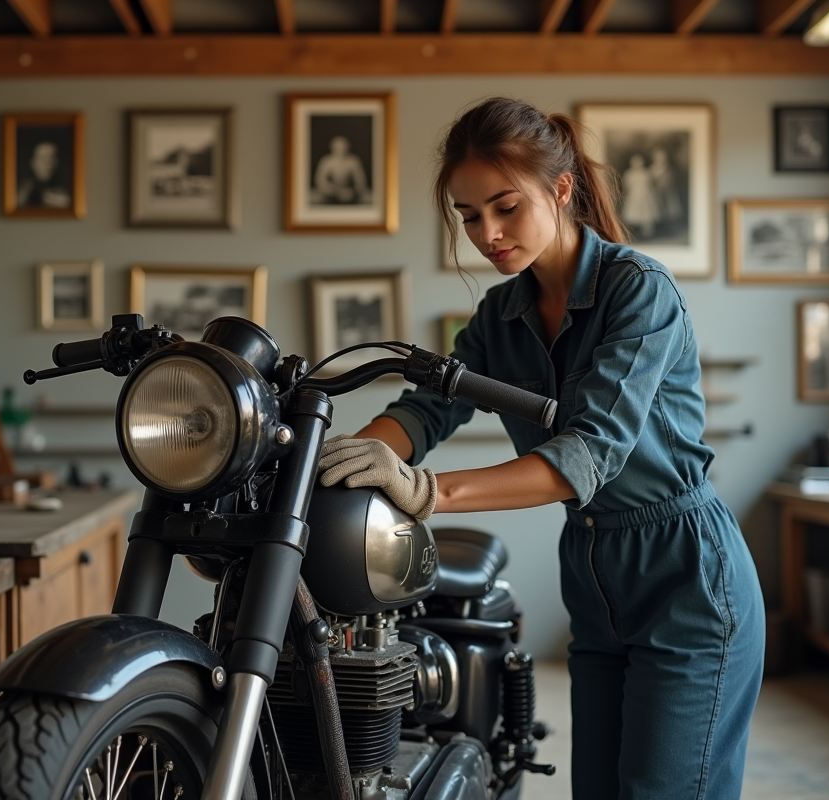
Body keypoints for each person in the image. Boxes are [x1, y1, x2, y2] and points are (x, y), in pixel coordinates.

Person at [317, 97, 765, 799]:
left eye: (504, 207)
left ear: (560, 190)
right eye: (469, 216)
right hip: (592, 581)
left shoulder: (638, 292)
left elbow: (587, 453)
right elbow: (428, 410)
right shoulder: (500, 314)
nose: (487, 234)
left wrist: (429, 491)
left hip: (688, 579)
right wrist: (339, 463)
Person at [312, 134, 370, 205]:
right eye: (337, 148)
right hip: (330, 192)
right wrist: (338, 191)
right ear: (332, 148)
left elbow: (361, 182)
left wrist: (352, 191)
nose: (341, 150)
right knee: (316, 197)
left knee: (366, 197)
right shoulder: (326, 161)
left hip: (350, 193)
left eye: (343, 147)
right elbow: (319, 181)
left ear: (348, 147)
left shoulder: (353, 161)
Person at [17, 141, 71, 209]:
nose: (47, 164)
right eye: (43, 158)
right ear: (33, 162)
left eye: (51, 158)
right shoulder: (22, 191)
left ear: (57, 162)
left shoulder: (67, 192)